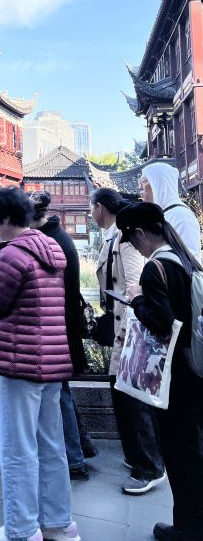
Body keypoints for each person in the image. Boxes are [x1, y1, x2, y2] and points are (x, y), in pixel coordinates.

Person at [0, 186, 80, 541]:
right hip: (52, 359)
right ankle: (58, 523)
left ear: (4, 219)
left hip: (21, 360)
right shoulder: (48, 247)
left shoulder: (13, 253)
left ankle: (21, 529)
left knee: (17, 447)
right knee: (51, 445)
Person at [116, 201, 203, 541]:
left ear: (140, 233)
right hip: (194, 369)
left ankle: (187, 529)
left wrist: (136, 298)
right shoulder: (183, 258)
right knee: (192, 450)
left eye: (131, 239)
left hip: (174, 377)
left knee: (179, 454)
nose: (134, 247)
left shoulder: (155, 268)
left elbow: (162, 321)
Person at [91, 187, 165, 495]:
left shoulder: (124, 238)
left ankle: (149, 466)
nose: (90, 213)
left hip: (130, 331)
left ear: (101, 207)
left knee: (133, 400)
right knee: (125, 398)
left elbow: (135, 283)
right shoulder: (114, 235)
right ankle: (137, 457)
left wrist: (127, 332)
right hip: (123, 328)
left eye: (92, 207)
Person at [30, 191, 95, 480]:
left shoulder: (49, 242)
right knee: (62, 391)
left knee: (60, 393)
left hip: (57, 326)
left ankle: (75, 458)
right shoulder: (57, 235)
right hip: (62, 325)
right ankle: (81, 448)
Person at [140, 163, 201, 265]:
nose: (140, 191)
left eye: (143, 183)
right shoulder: (163, 215)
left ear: (158, 184)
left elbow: (190, 261)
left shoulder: (181, 216)